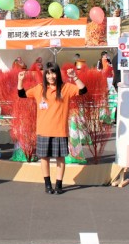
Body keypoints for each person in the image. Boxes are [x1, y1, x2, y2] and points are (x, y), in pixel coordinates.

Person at [17, 62, 87, 195]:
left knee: (60, 158)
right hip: (43, 130)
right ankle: (47, 184)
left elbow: (83, 90)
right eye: (48, 73)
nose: (51, 76)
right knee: (44, 158)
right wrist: (20, 80)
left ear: (57, 74)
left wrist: (75, 77)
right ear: (45, 75)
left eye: (53, 72)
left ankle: (59, 184)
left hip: (60, 130)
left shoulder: (66, 88)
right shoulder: (39, 89)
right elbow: (21, 94)